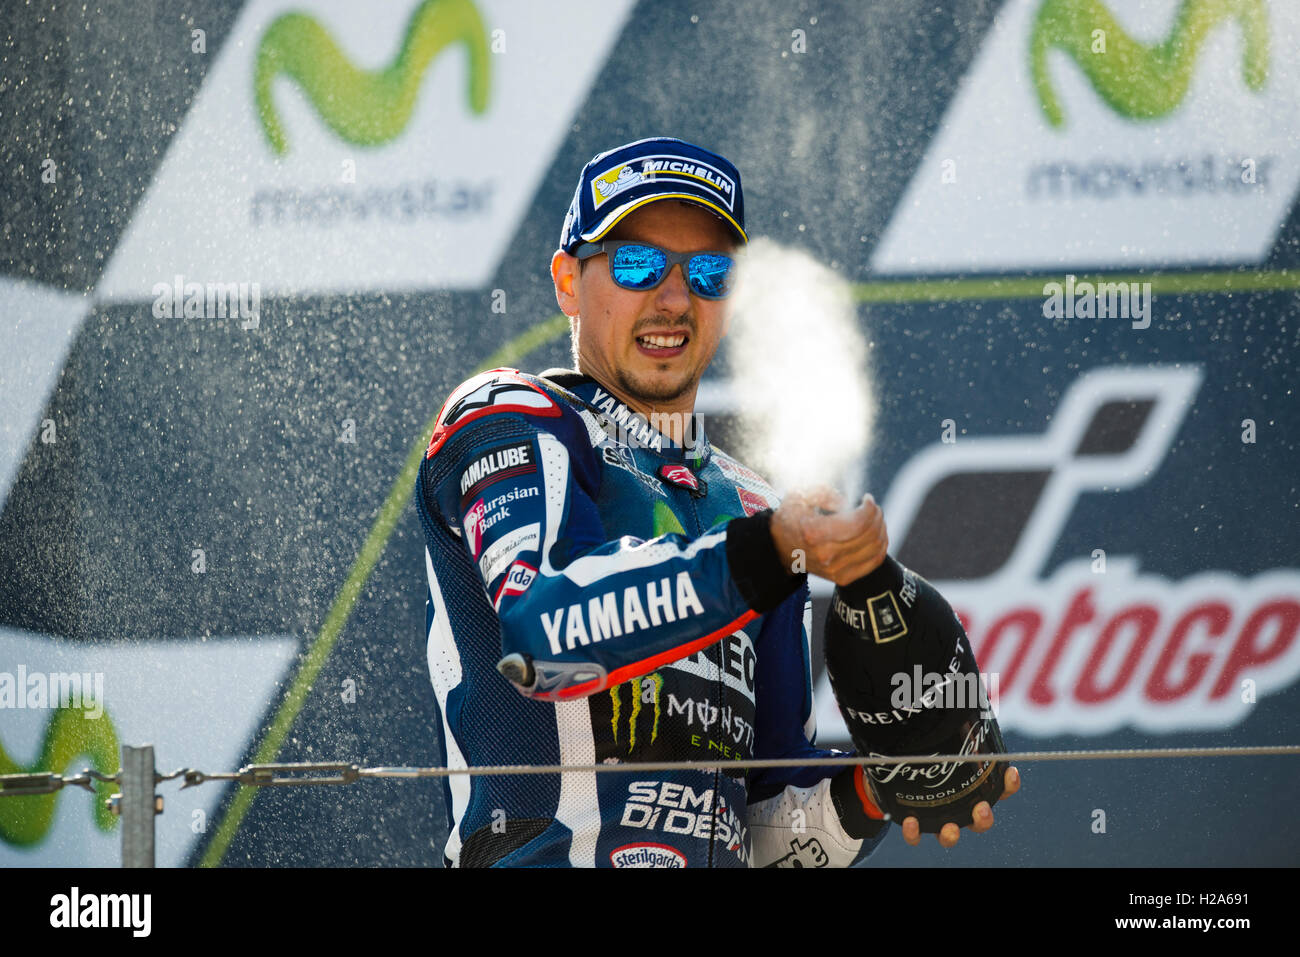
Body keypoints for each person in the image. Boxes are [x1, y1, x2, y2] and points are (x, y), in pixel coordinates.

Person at [413, 136, 1018, 867]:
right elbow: (545, 644)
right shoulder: (508, 415)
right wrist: (763, 553)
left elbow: (762, 833)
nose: (673, 298)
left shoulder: (751, 503)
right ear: (568, 281)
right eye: (637, 264)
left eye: (707, 272)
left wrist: (879, 789)